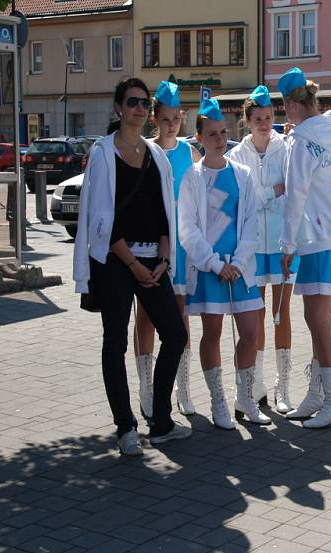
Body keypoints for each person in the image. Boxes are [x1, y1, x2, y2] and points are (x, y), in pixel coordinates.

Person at [73, 77, 191, 455]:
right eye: (133, 102)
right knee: (116, 340)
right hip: (115, 261)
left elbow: (163, 212)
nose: (140, 109)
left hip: (151, 259)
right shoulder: (103, 153)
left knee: (175, 334)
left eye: (144, 103)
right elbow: (100, 219)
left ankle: (160, 422)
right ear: (119, 108)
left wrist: (162, 257)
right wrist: (133, 264)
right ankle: (125, 427)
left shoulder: (155, 155)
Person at [180, 98, 270, 429]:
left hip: (241, 267)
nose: (220, 140)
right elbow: (187, 230)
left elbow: (249, 222)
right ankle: (218, 400)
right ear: (199, 139)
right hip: (210, 270)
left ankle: (244, 398)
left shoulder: (242, 174)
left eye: (223, 133)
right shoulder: (192, 178)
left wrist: (240, 260)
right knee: (213, 333)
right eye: (212, 134)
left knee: (250, 332)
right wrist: (216, 265)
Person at [277, 67, 331, 429]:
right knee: (317, 318)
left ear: (292, 105)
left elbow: (295, 194)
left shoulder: (301, 140)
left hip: (319, 236)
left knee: (316, 318)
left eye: (283, 107)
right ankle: (317, 394)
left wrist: (286, 245)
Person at [133, 81, 202, 422]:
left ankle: (183, 388)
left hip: (184, 246)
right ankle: (146, 388)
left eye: (176, 118)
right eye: (165, 119)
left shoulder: (190, 153)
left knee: (181, 317)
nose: (171, 124)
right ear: (155, 119)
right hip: (154, 242)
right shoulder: (146, 151)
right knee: (145, 315)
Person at [228, 85, 296, 415]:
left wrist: (263, 193)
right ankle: (256, 384)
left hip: (281, 242)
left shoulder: (286, 147)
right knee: (254, 317)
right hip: (252, 245)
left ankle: (284, 386)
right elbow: (244, 197)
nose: (265, 123)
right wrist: (272, 192)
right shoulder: (237, 155)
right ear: (247, 120)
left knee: (281, 315)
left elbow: (293, 188)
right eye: (258, 118)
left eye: (269, 117)